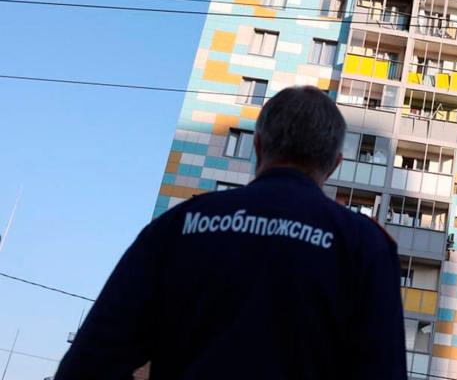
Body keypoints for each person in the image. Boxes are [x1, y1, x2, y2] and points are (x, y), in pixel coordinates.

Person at [56, 86, 407, 380]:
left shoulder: (179, 226)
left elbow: (88, 364)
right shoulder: (365, 247)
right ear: (334, 164)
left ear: (257, 146)